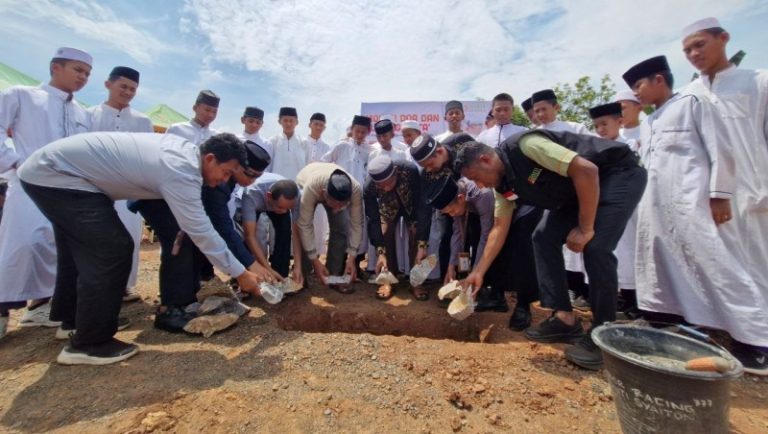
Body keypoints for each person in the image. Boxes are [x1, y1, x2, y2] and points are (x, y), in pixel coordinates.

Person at [16, 132, 264, 364]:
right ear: (210, 159)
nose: (225, 180)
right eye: (227, 172)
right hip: (59, 176)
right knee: (112, 250)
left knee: (80, 250)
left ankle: (73, 322)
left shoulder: (185, 154)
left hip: (57, 172)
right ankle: (88, 343)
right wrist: (241, 273)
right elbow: (200, 230)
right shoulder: (182, 170)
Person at [624, 54, 768, 375]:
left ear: (659, 79)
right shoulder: (649, 122)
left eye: (639, 85)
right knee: (659, 262)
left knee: (717, 264)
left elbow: (721, 149)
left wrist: (720, 194)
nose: (636, 93)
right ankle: (665, 318)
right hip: (656, 205)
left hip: (693, 202)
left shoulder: (693, 101)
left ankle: (755, 341)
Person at [455, 130, 646, 370]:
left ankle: (603, 334)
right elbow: (499, 228)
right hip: (575, 193)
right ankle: (565, 319)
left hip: (617, 174)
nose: (480, 185)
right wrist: (479, 271)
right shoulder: (502, 186)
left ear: (486, 160)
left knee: (596, 247)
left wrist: (585, 228)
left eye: (477, 177)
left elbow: (586, 169)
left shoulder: (527, 146)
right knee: (543, 238)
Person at [682, 18, 768, 374]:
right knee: (718, 263)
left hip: (753, 191)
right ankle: (730, 331)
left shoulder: (759, 82)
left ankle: (759, 344)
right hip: (707, 194)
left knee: (756, 263)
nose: (694, 54)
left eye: (699, 45)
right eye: (687, 50)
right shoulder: (692, 95)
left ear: (724, 39)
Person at [0, 47, 92, 337]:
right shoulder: (22, 95)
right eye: (77, 70)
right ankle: (2, 312)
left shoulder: (82, 113)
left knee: (60, 250)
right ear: (56, 67)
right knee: (21, 246)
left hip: (68, 189)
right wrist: (14, 162)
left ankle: (42, 307)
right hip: (29, 185)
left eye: (87, 73)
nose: (82, 77)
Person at [88, 66, 154, 303]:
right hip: (95, 188)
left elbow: (147, 154)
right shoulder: (90, 115)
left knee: (128, 238)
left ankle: (124, 286)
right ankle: (95, 291)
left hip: (128, 190)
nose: (128, 92)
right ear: (108, 85)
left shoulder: (142, 121)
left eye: (132, 89)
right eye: (123, 87)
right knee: (94, 240)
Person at [532, 88, 592, 305]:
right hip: (551, 196)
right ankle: (565, 290)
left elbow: (589, 158)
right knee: (557, 245)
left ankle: (586, 291)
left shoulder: (575, 129)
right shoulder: (535, 134)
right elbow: (535, 168)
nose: (540, 115)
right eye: (536, 111)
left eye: (544, 109)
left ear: (556, 107)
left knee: (581, 241)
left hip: (579, 193)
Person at [588, 102, 640, 316]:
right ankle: (614, 299)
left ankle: (632, 301)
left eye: (605, 124)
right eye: (597, 125)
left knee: (628, 254)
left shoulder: (631, 146)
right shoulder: (593, 148)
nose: (601, 129)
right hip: (601, 207)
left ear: (619, 122)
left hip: (625, 210)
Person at [166, 90, 222, 281]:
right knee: (182, 234)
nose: (210, 115)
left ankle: (205, 274)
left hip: (206, 190)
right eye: (207, 110)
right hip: (180, 190)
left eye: (214, 112)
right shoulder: (177, 129)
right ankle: (184, 279)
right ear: (195, 107)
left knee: (206, 230)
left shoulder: (215, 136)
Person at [364, 155, 429, 300]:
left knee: (415, 233)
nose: (386, 188)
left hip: (411, 206)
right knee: (384, 231)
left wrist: (422, 243)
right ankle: (388, 279)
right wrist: (380, 252)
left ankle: (416, 281)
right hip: (388, 207)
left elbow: (422, 206)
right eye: (381, 186)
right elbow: (373, 219)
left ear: (395, 172)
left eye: (389, 183)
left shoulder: (409, 170)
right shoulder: (369, 186)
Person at [296, 163, 363, 293]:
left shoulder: (355, 190)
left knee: (341, 228)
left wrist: (352, 258)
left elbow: (357, 224)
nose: (337, 209)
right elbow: (305, 225)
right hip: (305, 181)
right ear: (324, 194)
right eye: (335, 205)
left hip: (328, 183)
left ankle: (334, 276)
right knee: (303, 228)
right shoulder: (312, 188)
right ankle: (302, 274)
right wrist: (315, 261)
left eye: (342, 205)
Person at [322, 115, 372, 275]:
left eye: (363, 132)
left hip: (360, 196)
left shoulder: (369, 150)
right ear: (352, 129)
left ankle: (356, 265)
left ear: (368, 132)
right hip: (341, 195)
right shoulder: (342, 146)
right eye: (357, 131)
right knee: (342, 229)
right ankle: (339, 266)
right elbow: (325, 162)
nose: (360, 134)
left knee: (359, 230)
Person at [241, 173, 304, 285]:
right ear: (269, 196)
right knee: (246, 240)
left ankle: (280, 276)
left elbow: (296, 233)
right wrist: (267, 268)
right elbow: (249, 236)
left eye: (288, 208)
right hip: (257, 202)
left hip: (275, 201)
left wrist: (298, 267)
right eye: (281, 207)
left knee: (285, 232)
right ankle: (249, 275)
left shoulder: (296, 196)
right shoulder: (251, 194)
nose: (284, 211)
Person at [368, 119, 411, 273]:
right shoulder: (373, 154)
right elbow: (372, 182)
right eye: (379, 137)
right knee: (386, 232)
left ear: (392, 134)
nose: (382, 139)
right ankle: (388, 274)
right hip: (385, 201)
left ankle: (410, 274)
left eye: (385, 136)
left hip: (404, 200)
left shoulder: (401, 153)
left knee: (411, 231)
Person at [303, 112, 331, 257]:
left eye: (321, 125)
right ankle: (300, 258)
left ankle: (317, 256)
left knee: (319, 224)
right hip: (303, 189)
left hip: (320, 191)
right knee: (304, 223)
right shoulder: (301, 143)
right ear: (310, 125)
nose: (318, 127)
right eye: (316, 124)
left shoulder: (327, 147)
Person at [268, 107, 306, 180]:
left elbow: (307, 166)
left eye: (291, 120)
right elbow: (268, 166)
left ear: (296, 122)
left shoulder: (304, 142)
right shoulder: (272, 141)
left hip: (298, 185)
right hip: (276, 184)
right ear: (279, 121)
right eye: (285, 120)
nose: (288, 124)